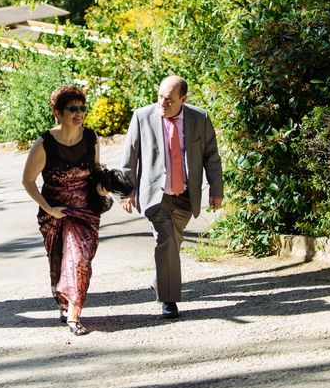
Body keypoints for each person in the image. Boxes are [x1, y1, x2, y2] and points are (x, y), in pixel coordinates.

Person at [120, 75, 223, 319]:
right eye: (159, 97)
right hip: (156, 195)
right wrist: (126, 191)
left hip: (186, 195)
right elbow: (128, 158)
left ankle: (160, 279)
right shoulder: (142, 117)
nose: (162, 104)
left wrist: (216, 189)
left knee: (172, 243)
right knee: (165, 240)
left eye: (169, 99)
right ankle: (169, 300)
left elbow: (211, 156)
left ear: (183, 99)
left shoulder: (200, 118)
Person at [22, 85, 108, 336]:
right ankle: (66, 306)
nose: (79, 113)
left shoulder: (91, 138)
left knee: (80, 260)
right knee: (60, 260)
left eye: (82, 108)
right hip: (55, 211)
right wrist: (48, 208)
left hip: (85, 211)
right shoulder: (45, 143)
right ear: (58, 112)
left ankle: (74, 312)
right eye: (73, 109)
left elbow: (95, 172)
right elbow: (28, 180)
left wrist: (104, 187)